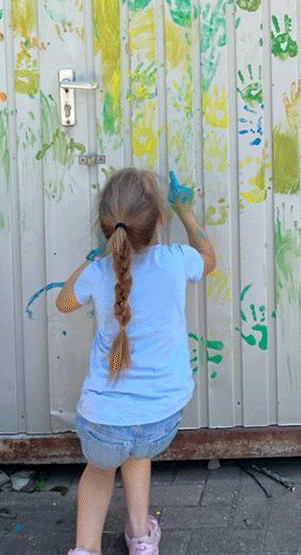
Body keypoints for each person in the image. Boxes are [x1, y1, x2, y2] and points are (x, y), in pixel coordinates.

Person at [55, 167, 216, 555]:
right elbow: (208, 260)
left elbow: (63, 302)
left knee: (99, 472)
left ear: (105, 227)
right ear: (159, 220)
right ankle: (141, 537)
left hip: (103, 425)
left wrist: (94, 258)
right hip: (160, 419)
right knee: (138, 452)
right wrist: (185, 212)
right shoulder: (178, 259)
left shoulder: (98, 271)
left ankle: (85, 549)